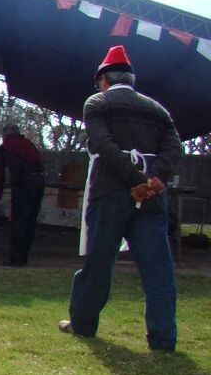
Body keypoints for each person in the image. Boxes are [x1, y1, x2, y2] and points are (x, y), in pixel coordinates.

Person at [59, 45, 182, 352]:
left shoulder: (97, 103)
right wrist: (153, 179)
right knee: (158, 269)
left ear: (104, 80)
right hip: (152, 196)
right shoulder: (157, 110)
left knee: (99, 263)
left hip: (111, 191)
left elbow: (103, 144)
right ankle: (163, 338)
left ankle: (83, 325)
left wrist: (136, 179)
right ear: (131, 79)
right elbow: (174, 148)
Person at [0, 123, 45, 267]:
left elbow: (14, 169)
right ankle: (24, 256)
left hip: (24, 183)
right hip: (39, 182)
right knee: (30, 221)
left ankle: (16, 258)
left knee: (19, 220)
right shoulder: (28, 144)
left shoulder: (9, 146)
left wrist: (11, 191)